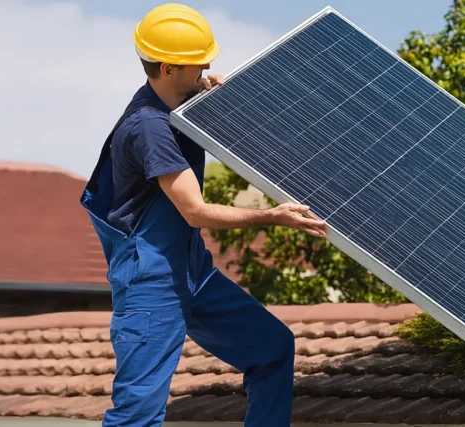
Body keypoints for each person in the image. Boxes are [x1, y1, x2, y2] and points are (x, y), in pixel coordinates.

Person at [80, 4, 328, 426]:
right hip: (150, 284)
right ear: (166, 68)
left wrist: (206, 93)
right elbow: (193, 211)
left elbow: (198, 100)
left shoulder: (178, 101)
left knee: (272, 348)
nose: (208, 66)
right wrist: (272, 216)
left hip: (193, 273)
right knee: (136, 416)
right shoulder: (148, 127)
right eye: (196, 62)